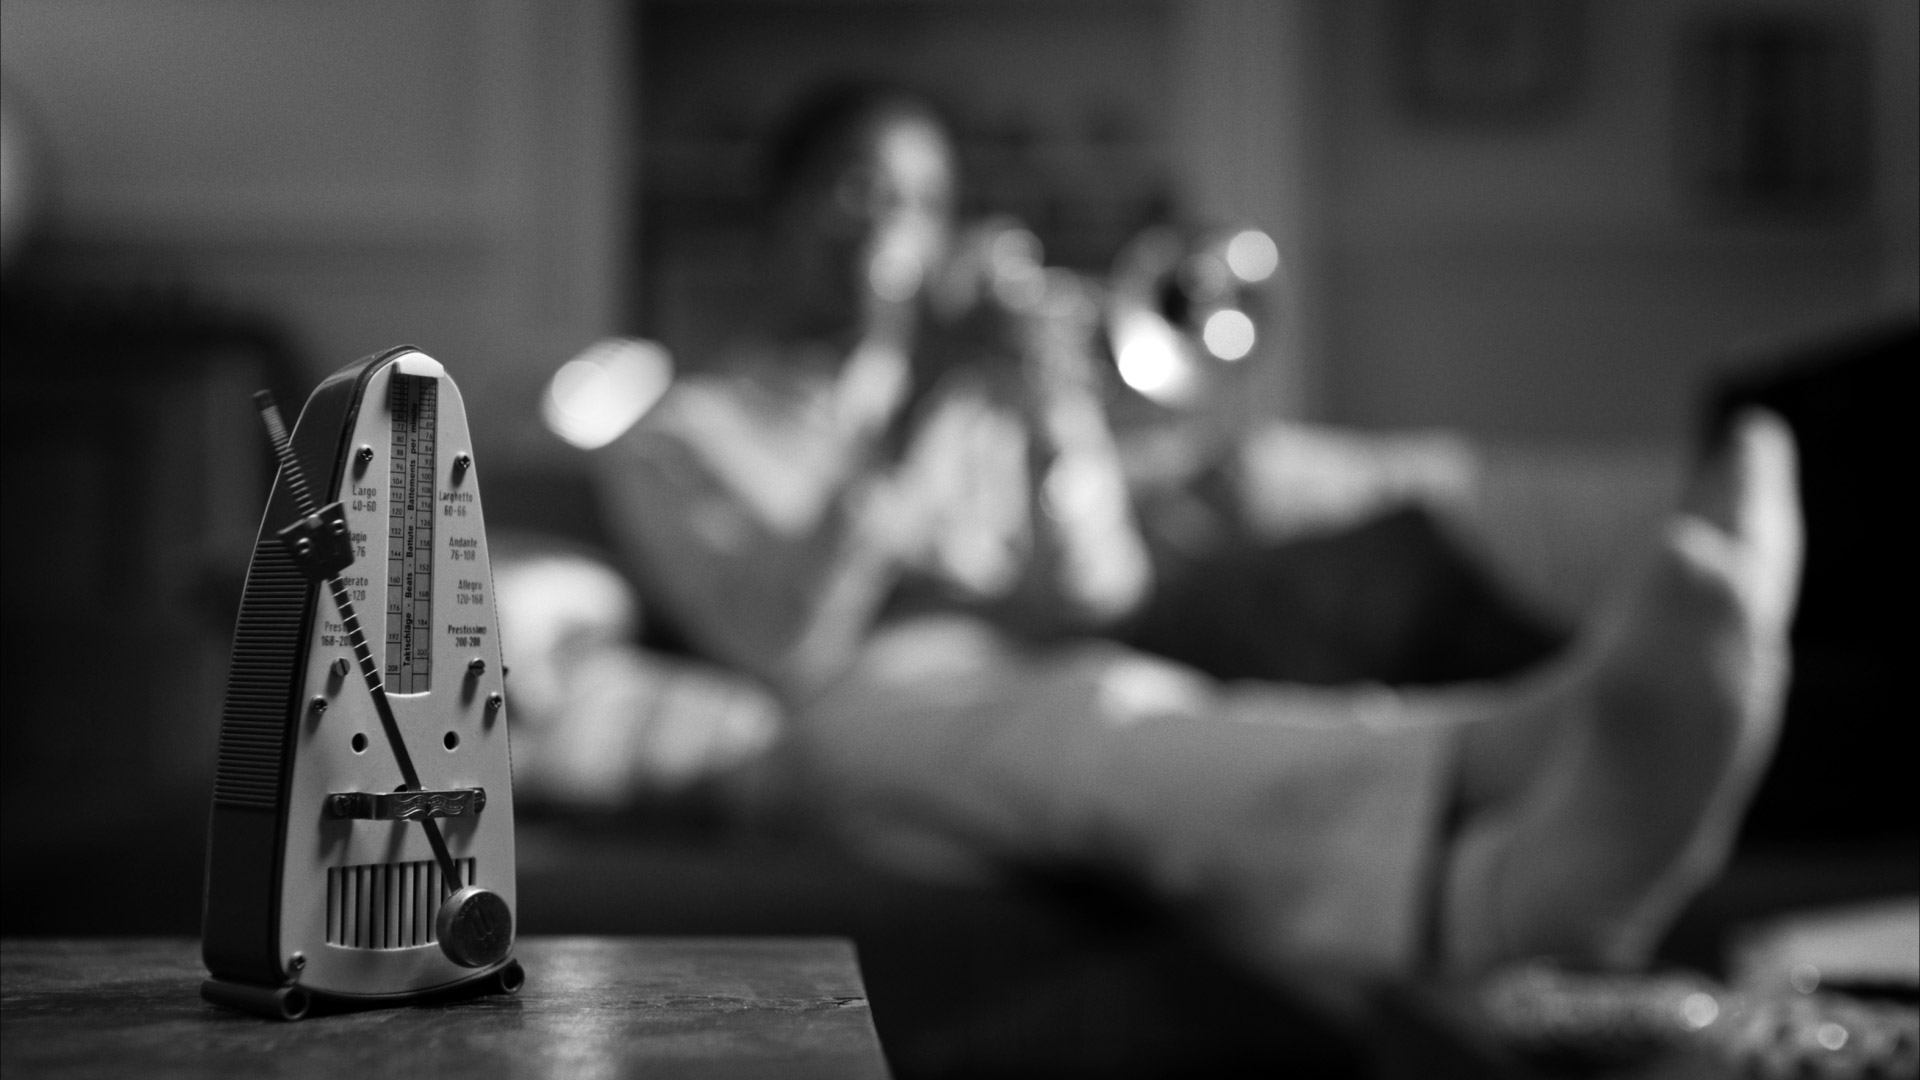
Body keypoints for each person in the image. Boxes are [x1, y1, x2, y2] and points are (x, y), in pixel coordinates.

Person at [581, 84, 1804, 986]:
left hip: (1011, 684)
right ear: (777, 214)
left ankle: (1514, 844)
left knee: (1122, 705)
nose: (884, 228)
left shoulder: (969, 391)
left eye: (916, 201)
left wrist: (1052, 412)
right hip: (832, 726)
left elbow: (1098, 587)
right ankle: (1508, 805)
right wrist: (915, 419)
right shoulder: (679, 429)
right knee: (1091, 723)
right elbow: (782, 644)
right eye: (854, 189)